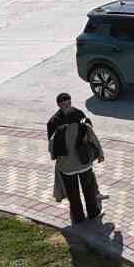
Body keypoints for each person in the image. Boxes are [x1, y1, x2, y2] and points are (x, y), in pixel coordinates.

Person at [47, 92, 104, 225]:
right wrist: (99, 153)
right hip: (84, 162)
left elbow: (51, 147)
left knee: (73, 193)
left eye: (68, 103)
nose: (67, 106)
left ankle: (78, 217)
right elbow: (91, 134)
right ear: (59, 105)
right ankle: (93, 212)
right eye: (65, 104)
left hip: (66, 166)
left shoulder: (53, 123)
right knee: (89, 189)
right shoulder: (80, 117)